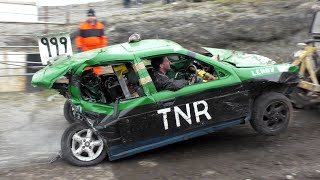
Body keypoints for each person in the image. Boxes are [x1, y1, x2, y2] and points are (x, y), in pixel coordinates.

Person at [76, 9, 108, 74]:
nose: (90, 17)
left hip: (97, 51)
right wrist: (79, 48)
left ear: (94, 16)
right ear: (87, 17)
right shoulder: (82, 26)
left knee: (97, 66)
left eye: (92, 16)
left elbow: (103, 38)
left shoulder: (100, 25)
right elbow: (79, 38)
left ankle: (98, 79)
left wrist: (104, 48)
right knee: (87, 66)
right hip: (86, 51)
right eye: (89, 16)